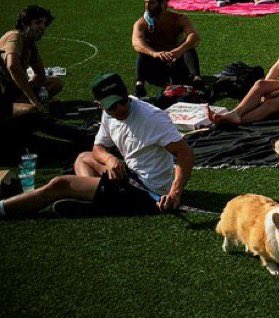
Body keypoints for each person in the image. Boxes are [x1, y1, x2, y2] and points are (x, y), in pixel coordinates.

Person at [0, 72, 194, 219]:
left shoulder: (152, 118)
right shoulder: (108, 114)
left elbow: (185, 153)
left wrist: (175, 192)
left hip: (151, 191)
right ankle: (99, 202)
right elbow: (98, 148)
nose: (119, 109)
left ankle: (2, 209)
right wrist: (110, 159)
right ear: (99, 105)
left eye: (121, 102)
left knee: (60, 184)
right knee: (83, 158)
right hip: (130, 175)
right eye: (111, 106)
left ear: (127, 93)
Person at [131, 0, 202, 97]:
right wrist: (154, 53)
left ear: (163, 3)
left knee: (187, 43)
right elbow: (136, 42)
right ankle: (139, 84)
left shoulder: (179, 18)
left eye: (151, 3)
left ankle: (197, 78)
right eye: (146, 3)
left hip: (176, 63)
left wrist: (179, 50)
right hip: (155, 67)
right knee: (144, 48)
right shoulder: (142, 22)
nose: (147, 6)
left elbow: (195, 36)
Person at [0, 6, 64, 120]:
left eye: (44, 23)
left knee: (55, 82)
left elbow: (40, 74)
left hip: (12, 90)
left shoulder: (30, 43)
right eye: (38, 22)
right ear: (25, 24)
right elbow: (13, 66)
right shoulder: (15, 36)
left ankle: (24, 105)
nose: (42, 27)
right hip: (3, 91)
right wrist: (34, 100)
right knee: (30, 110)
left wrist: (34, 90)